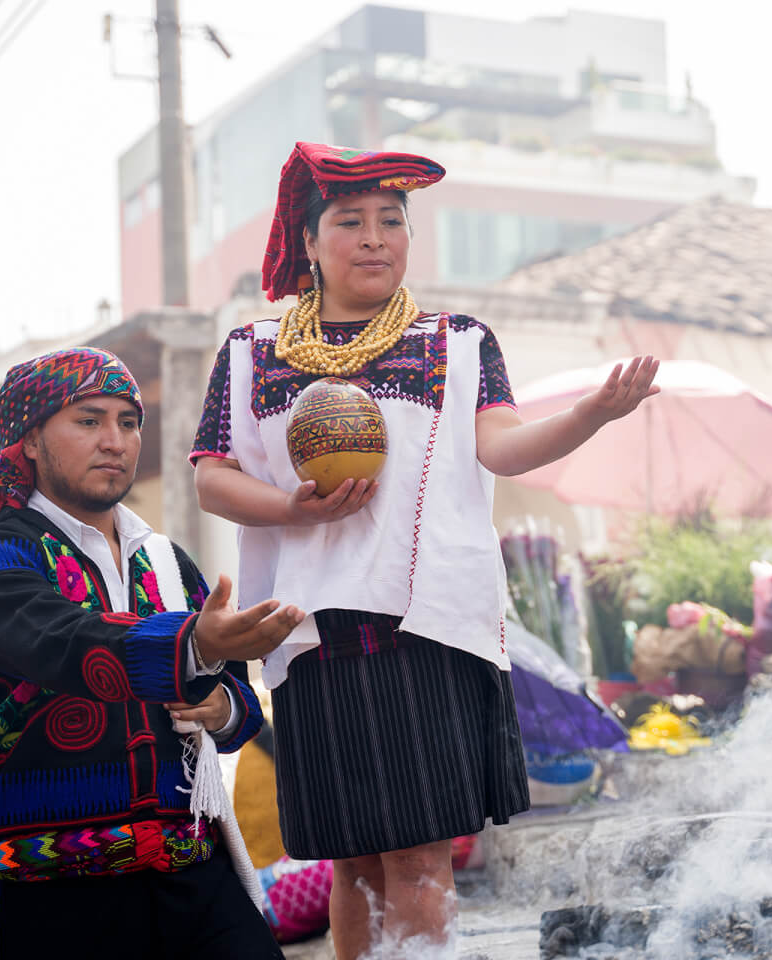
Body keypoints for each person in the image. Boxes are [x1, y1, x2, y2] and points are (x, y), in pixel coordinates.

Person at [191, 141, 660, 959]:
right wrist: (289, 507)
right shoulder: (251, 352)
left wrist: (590, 414)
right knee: (352, 864)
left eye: (392, 220)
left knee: (417, 859)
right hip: (311, 635)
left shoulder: (460, 341)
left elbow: (503, 447)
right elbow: (213, 479)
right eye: (350, 221)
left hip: (427, 628)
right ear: (309, 241)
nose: (375, 237)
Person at [0, 347, 302, 960]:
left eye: (128, 422)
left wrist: (222, 708)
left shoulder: (167, 561)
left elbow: (235, 702)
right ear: (30, 440)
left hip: (188, 868)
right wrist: (193, 645)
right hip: (52, 885)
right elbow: (59, 642)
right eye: (88, 420)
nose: (115, 441)